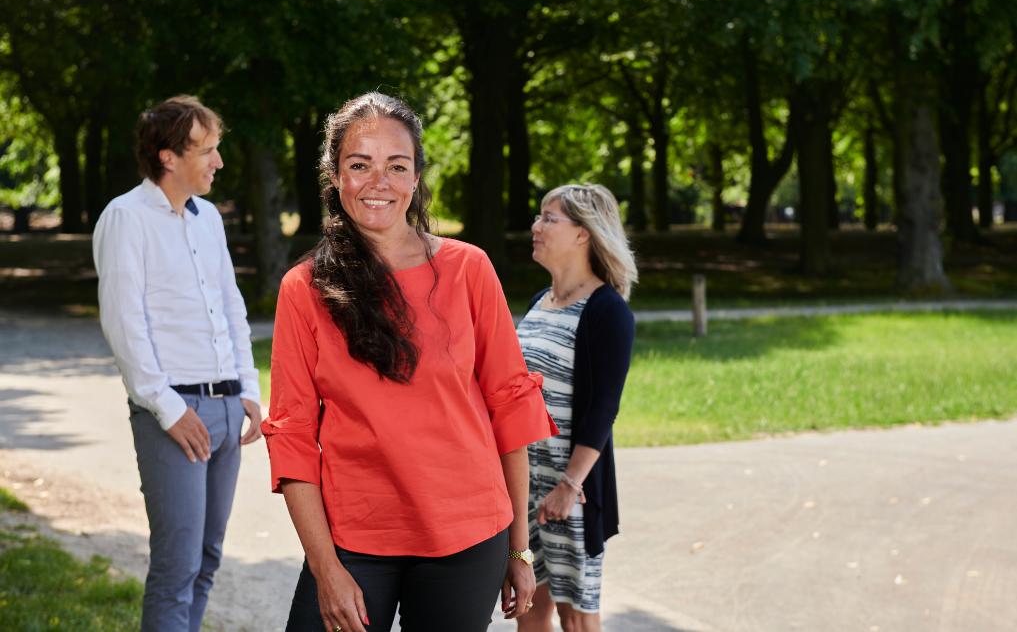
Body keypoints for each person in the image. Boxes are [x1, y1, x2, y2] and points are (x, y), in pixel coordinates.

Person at [261, 92, 557, 632]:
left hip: (467, 537)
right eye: (359, 165)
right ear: (334, 175)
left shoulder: (470, 269)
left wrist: (519, 551)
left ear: (415, 177)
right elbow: (293, 437)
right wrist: (326, 570)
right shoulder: (302, 289)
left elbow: (509, 410)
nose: (379, 181)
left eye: (397, 166)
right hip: (355, 538)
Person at [92, 95, 263, 632]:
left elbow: (231, 306)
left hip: (225, 407)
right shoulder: (125, 218)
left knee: (208, 561)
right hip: (173, 415)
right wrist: (168, 410)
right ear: (168, 157)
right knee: (176, 566)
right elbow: (125, 326)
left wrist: (249, 392)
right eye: (207, 150)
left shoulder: (208, 217)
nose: (217, 161)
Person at [515, 184, 637, 632]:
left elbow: (604, 408)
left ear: (584, 233)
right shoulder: (538, 303)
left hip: (570, 492)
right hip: (526, 483)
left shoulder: (608, 310)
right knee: (529, 605)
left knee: (576, 616)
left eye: (549, 218)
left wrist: (569, 486)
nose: (536, 226)